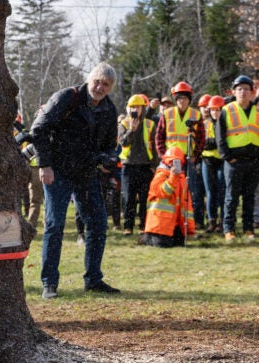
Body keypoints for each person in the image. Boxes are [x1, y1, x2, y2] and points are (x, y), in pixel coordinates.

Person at [30, 62, 121, 299]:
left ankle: (93, 279)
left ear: (110, 88)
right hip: (57, 171)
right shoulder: (66, 98)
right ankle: (49, 283)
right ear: (89, 79)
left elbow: (110, 145)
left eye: (106, 85)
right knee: (54, 225)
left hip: (87, 173)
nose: (100, 87)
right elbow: (38, 129)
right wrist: (45, 164)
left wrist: (108, 158)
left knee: (99, 225)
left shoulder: (110, 110)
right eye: (97, 81)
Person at [155, 81, 206, 231]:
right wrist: (164, 156)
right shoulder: (167, 114)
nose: (181, 101)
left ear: (189, 99)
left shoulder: (196, 115)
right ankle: (172, 222)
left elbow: (201, 138)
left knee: (192, 191)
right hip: (170, 161)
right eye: (179, 98)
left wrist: (196, 155)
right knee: (170, 191)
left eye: (184, 98)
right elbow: (159, 137)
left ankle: (194, 223)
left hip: (189, 159)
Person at [216, 75, 259, 242]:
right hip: (234, 161)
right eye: (239, 89)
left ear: (251, 92)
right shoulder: (227, 110)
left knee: (249, 197)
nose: (243, 92)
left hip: (254, 161)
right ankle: (229, 229)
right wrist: (227, 157)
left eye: (246, 89)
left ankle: (248, 229)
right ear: (234, 92)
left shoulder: (256, 111)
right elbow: (220, 136)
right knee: (231, 197)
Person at [118, 94, 158, 236]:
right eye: (132, 107)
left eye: (137, 107)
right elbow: (122, 142)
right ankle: (128, 227)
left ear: (143, 109)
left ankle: (143, 226)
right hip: (128, 166)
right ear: (128, 109)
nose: (134, 109)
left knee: (144, 198)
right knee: (128, 198)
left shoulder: (150, 124)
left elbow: (154, 147)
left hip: (145, 166)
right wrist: (131, 130)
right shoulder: (123, 124)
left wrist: (154, 165)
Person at [141, 146, 195, 247]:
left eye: (177, 162)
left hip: (173, 225)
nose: (174, 164)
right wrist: (173, 177)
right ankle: (148, 237)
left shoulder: (182, 179)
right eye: (172, 162)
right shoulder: (160, 175)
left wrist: (189, 229)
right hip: (158, 226)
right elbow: (164, 192)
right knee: (163, 244)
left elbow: (187, 205)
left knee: (179, 243)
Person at [202, 95, 226, 233]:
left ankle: (223, 222)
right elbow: (203, 143)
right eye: (212, 110)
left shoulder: (226, 123)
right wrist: (215, 142)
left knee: (223, 191)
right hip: (208, 160)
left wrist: (213, 142)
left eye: (217, 110)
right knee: (210, 192)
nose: (215, 113)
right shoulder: (205, 124)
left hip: (222, 160)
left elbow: (224, 142)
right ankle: (212, 221)